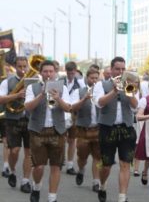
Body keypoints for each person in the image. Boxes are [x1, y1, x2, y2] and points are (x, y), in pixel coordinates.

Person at [24, 60, 72, 202]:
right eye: (45, 71)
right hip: (38, 131)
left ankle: (52, 198)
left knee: (56, 165)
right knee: (38, 166)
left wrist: (58, 98)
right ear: (41, 73)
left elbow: (68, 108)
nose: (49, 74)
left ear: (55, 73)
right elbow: (28, 107)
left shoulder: (62, 87)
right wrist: (42, 94)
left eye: (51, 71)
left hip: (57, 131)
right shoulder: (32, 88)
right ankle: (37, 187)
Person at [93, 57, 139, 202]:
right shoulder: (101, 85)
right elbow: (99, 103)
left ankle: (122, 197)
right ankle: (102, 185)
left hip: (126, 128)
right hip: (107, 129)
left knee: (125, 163)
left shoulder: (130, 84)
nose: (120, 71)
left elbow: (135, 106)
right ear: (111, 70)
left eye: (122, 69)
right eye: (117, 69)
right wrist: (114, 91)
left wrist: (129, 91)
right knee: (106, 165)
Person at [0, 56, 32, 193]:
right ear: (15, 66)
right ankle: (12, 171)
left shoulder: (34, 81)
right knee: (14, 151)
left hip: (30, 120)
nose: (23, 69)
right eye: (20, 66)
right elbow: (1, 99)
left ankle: (25, 181)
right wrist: (17, 95)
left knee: (29, 152)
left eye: (25, 66)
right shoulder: (7, 82)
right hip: (13, 119)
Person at [70, 69, 101, 192]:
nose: (94, 81)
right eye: (92, 78)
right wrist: (84, 99)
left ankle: (96, 181)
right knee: (82, 157)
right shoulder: (78, 91)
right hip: (83, 129)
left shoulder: (101, 91)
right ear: (86, 78)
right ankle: (81, 169)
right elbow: (72, 108)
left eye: (96, 78)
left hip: (98, 128)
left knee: (98, 157)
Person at [60, 61, 86, 175]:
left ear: (75, 71)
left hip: (74, 114)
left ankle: (70, 165)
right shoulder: (60, 82)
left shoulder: (80, 83)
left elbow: (83, 95)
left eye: (73, 73)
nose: (71, 75)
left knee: (72, 140)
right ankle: (60, 160)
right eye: (69, 73)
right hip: (62, 113)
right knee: (61, 140)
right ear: (66, 72)